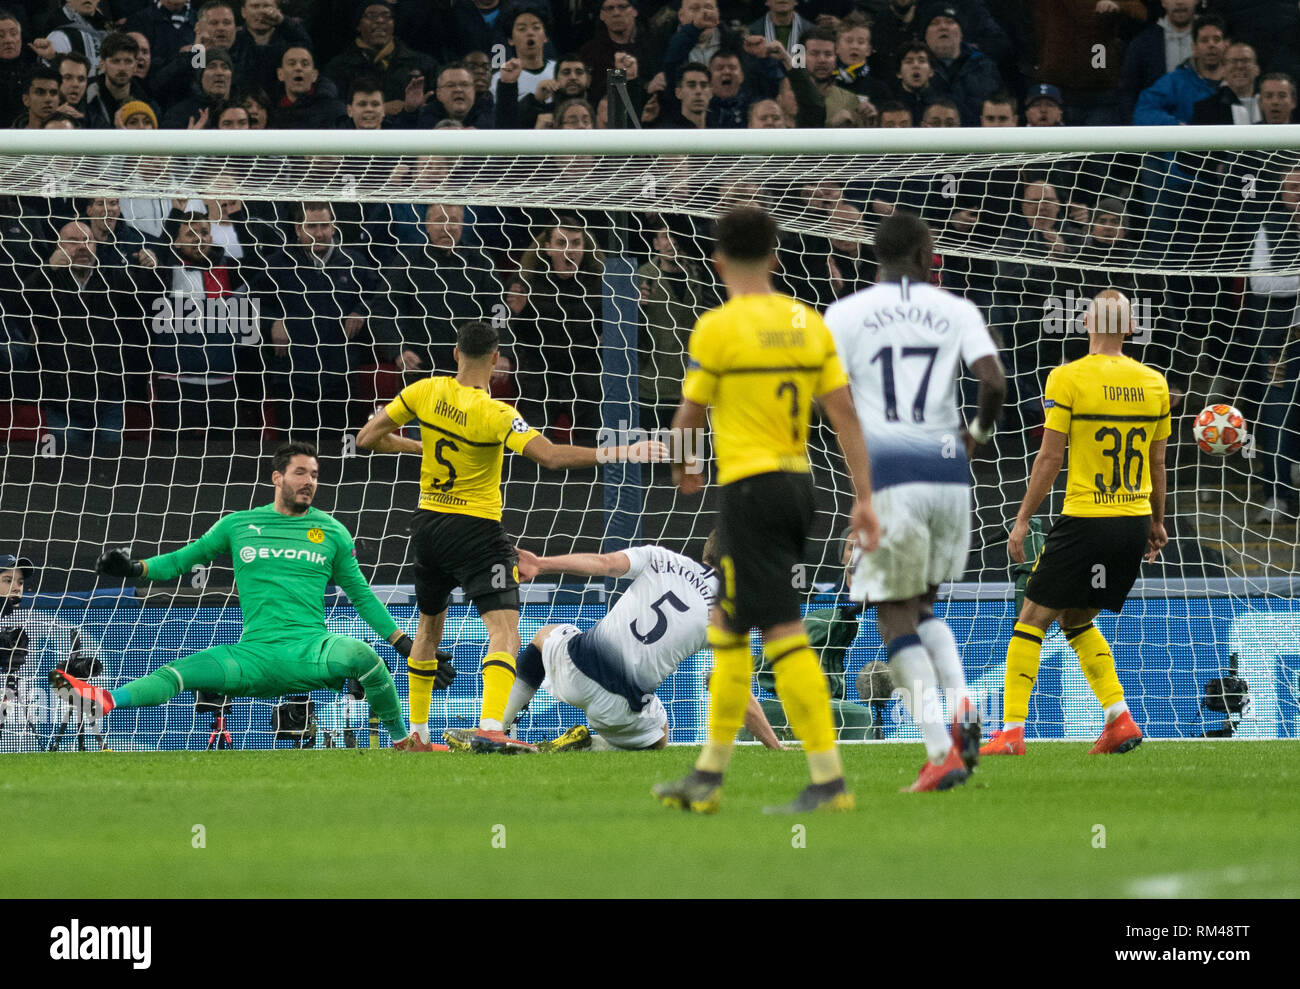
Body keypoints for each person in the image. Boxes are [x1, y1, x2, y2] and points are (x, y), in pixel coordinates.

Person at [652, 205, 879, 815]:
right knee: (727, 631)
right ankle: (708, 775)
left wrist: (684, 464)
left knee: (780, 632)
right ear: (777, 257)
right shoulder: (809, 324)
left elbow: (688, 416)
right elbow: (845, 415)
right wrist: (864, 498)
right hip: (798, 486)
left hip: (750, 493)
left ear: (719, 260)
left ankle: (829, 780)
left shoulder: (716, 329)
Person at [355, 319, 666, 754]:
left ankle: (418, 736)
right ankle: (489, 727)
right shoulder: (498, 414)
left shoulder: (424, 391)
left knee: (428, 629)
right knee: (505, 630)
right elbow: (552, 458)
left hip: (426, 526)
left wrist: (422, 446)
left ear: (455, 354)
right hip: (476, 531)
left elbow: (368, 437)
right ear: (496, 361)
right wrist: (621, 452)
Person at [52, 442, 430, 750]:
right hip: (253, 657)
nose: (309, 481)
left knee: (364, 656)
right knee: (177, 673)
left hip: (310, 651)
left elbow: (361, 595)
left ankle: (403, 742)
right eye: (300, 472)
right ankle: (105, 699)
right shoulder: (239, 525)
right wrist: (137, 569)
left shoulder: (332, 532)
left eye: (314, 475)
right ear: (277, 477)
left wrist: (405, 644)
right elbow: (183, 561)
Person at [824, 210, 1007, 792]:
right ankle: (965, 705)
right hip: (951, 474)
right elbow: (995, 382)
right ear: (928, 253)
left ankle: (939, 750)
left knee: (891, 610)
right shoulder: (956, 309)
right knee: (924, 605)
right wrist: (974, 438)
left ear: (873, 255)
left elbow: (831, 401)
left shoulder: (846, 314)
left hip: (892, 474)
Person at [981, 291, 1168, 757]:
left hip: (1086, 516)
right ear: (1130, 328)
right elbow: (1158, 462)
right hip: (1132, 519)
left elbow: (1049, 455)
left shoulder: (1067, 377)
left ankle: (1010, 732)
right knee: (1076, 616)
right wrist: (1158, 523)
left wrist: (1022, 519)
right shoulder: (1154, 383)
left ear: (1086, 323)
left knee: (1031, 618)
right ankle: (1119, 719)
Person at [452, 535, 781, 752]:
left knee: (545, 635)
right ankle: (587, 745)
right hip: (618, 709)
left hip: (573, 666)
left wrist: (542, 563)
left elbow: (603, 563)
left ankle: (494, 728)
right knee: (660, 735)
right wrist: (774, 746)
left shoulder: (660, 557)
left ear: (708, 552)